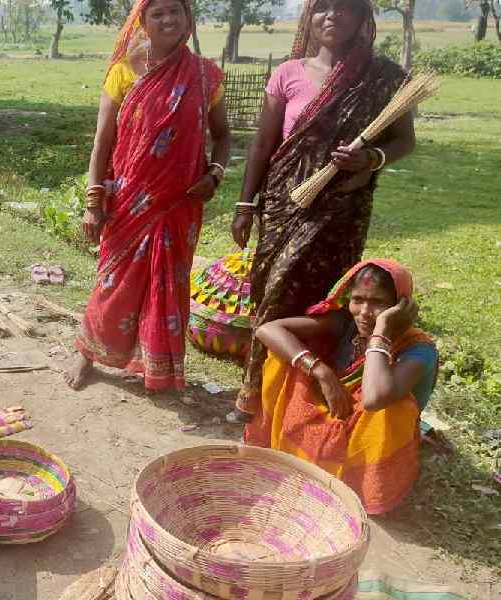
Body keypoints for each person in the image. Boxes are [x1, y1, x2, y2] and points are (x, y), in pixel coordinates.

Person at [228, 0, 417, 422]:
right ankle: (255, 386)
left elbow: (405, 140)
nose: (332, 16)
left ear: (361, 19)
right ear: (309, 18)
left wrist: (371, 158)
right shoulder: (288, 72)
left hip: (342, 207)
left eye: (344, 9)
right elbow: (263, 144)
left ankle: (304, 391)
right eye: (322, 8)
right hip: (283, 203)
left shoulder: (385, 79)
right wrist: (245, 204)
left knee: (323, 298)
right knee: (271, 291)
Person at [64, 0, 231, 391]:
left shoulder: (206, 77)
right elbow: (102, 144)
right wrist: (93, 203)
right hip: (129, 202)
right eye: (157, 13)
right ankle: (87, 353)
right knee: (113, 282)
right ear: (142, 21)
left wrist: (216, 173)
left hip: (180, 203)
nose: (168, 19)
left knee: (168, 286)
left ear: (189, 18)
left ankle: (160, 368)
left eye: (176, 11)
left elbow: (223, 137)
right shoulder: (123, 72)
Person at [245, 260, 437, 514]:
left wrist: (381, 331)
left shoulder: (418, 349)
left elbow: (373, 399)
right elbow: (268, 330)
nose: (365, 312)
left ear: (400, 306)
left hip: (368, 430)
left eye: (378, 303)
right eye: (358, 299)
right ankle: (291, 448)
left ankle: (362, 483)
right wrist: (322, 373)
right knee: (286, 360)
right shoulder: (346, 323)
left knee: (392, 408)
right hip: (338, 407)